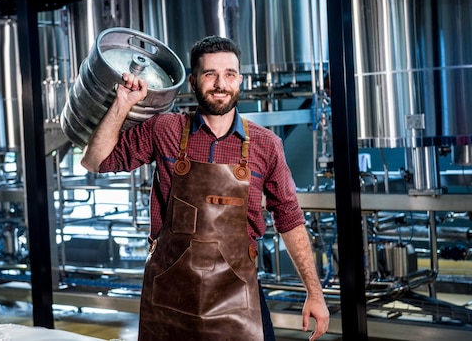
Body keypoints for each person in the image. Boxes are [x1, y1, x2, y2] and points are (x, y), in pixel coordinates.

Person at [81, 35, 329, 340]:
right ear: (194, 80)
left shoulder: (267, 145)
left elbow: (290, 219)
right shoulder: (164, 129)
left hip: (238, 293)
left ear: (240, 80)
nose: (220, 84)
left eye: (229, 74)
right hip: (169, 294)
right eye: (210, 74)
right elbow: (95, 161)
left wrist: (314, 293)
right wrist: (123, 103)